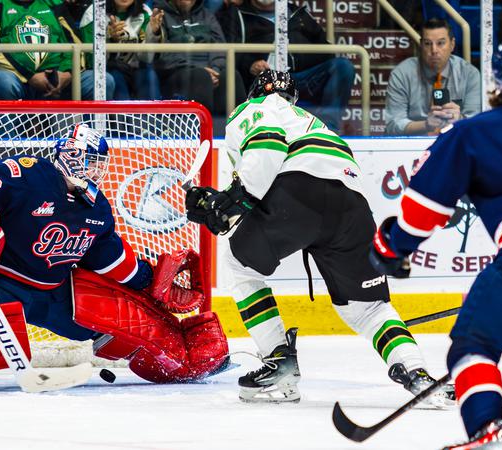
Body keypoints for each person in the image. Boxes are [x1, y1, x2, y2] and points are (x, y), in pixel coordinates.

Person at [185, 69, 454, 405]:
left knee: (239, 265)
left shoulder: (255, 107)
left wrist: (225, 204)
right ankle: (416, 372)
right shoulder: (309, 120)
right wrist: (229, 201)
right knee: (368, 307)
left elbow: (266, 148)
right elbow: (273, 175)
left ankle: (278, 359)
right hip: (351, 207)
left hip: (298, 194)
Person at [0, 123, 229, 383]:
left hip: (55, 295)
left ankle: (181, 361)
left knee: (123, 328)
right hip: (1, 287)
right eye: (91, 161)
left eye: (100, 164)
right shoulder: (26, 173)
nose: (96, 171)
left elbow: (109, 259)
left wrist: (148, 280)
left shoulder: (96, 207)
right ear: (70, 155)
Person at [370, 39, 502, 449]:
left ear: (495, 82)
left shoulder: (475, 132)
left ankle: (487, 432)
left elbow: (423, 210)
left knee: (474, 346)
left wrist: (391, 246)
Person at [217, 1, 354, 133]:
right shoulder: (236, 14)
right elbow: (225, 53)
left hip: (299, 79)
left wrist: (299, 53)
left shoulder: (297, 14)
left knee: (342, 67)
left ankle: (327, 131)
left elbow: (326, 51)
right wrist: (250, 64)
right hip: (263, 81)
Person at [0, 0, 114, 100]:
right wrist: (29, 76)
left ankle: (94, 138)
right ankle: (7, 142)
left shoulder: (54, 3)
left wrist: (67, 72)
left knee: (101, 79)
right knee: (1, 80)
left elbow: (73, 41)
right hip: (16, 77)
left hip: (58, 76)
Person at [385, 18, 481, 135]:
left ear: (452, 44)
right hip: (412, 146)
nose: (434, 50)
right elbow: (393, 125)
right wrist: (426, 125)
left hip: (455, 143)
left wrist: (460, 119)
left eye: (440, 43)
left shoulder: (469, 74)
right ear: (421, 45)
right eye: (427, 43)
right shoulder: (402, 74)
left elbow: (477, 124)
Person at [146, 0, 245, 114]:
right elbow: (163, 56)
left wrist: (215, 70)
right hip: (177, 73)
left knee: (232, 76)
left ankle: (239, 127)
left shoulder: (207, 15)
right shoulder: (160, 16)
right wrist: (199, 69)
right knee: (201, 76)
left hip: (210, 71)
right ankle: (201, 129)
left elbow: (220, 48)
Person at [79, 0, 162, 100]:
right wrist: (109, 38)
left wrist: (152, 33)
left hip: (135, 68)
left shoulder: (144, 12)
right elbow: (93, 63)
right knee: (115, 76)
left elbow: (146, 58)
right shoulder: (92, 15)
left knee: (149, 75)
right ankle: (123, 115)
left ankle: (153, 115)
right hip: (107, 69)